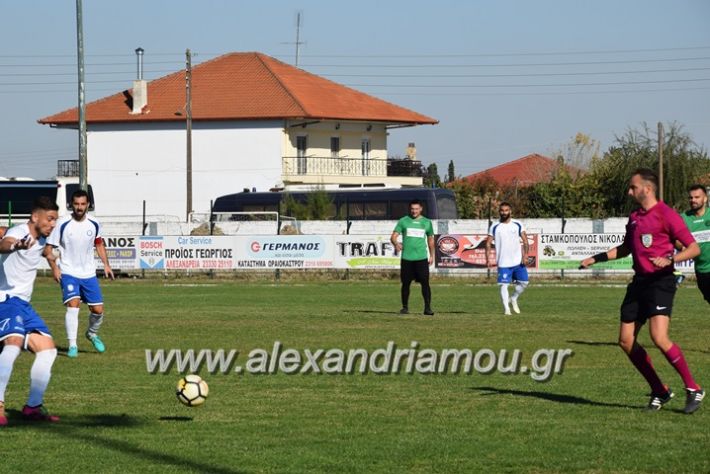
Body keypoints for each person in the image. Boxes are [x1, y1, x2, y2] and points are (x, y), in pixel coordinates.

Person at [580, 168, 704, 414]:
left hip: (661, 282)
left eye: (633, 187)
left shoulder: (667, 215)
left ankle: (693, 388)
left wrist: (672, 259)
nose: (629, 191)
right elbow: (626, 248)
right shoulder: (635, 216)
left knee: (659, 337)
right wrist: (596, 258)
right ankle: (660, 390)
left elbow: (694, 248)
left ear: (647, 189)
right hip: (639, 282)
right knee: (625, 341)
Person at [0, 197, 61, 426]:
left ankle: (32, 407)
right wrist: (16, 245)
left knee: (48, 350)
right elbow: (4, 244)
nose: (52, 224)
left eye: (55, 219)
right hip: (5, 300)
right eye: (50, 219)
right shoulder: (19, 232)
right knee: (13, 344)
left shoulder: (42, 237)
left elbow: (45, 251)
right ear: (35, 217)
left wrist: (54, 263)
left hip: (23, 305)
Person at [44, 190, 114, 358]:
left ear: (88, 205)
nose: (80, 207)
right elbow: (48, 249)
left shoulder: (94, 223)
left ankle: (91, 333)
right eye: (76, 204)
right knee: (73, 304)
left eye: (83, 204)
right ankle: (72, 345)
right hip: (68, 271)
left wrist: (106, 265)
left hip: (88, 273)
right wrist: (55, 268)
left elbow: (99, 244)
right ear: (71, 205)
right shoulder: (62, 224)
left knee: (97, 309)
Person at [391, 199, 435, 316]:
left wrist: (432, 255)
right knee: (405, 284)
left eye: (416, 209)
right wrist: (396, 243)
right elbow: (393, 236)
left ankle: (427, 308)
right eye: (412, 209)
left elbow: (431, 240)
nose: (414, 211)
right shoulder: (403, 221)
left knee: (425, 283)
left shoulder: (427, 222)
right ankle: (405, 307)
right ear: (409, 209)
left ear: (421, 209)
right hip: (407, 259)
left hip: (421, 259)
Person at [485, 202, 529, 315]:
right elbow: (488, 243)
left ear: (510, 211)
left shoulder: (517, 224)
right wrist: (488, 258)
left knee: (524, 283)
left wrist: (525, 255)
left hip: (518, 261)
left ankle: (513, 298)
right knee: (504, 285)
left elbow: (525, 240)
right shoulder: (494, 226)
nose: (504, 212)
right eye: (502, 210)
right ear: (499, 212)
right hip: (503, 262)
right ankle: (507, 310)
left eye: (506, 210)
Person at [680, 184, 710, 303]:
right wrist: (681, 245)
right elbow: (677, 240)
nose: (693, 200)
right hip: (701, 271)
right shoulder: (684, 218)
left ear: (705, 199)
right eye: (691, 198)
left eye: (697, 197)